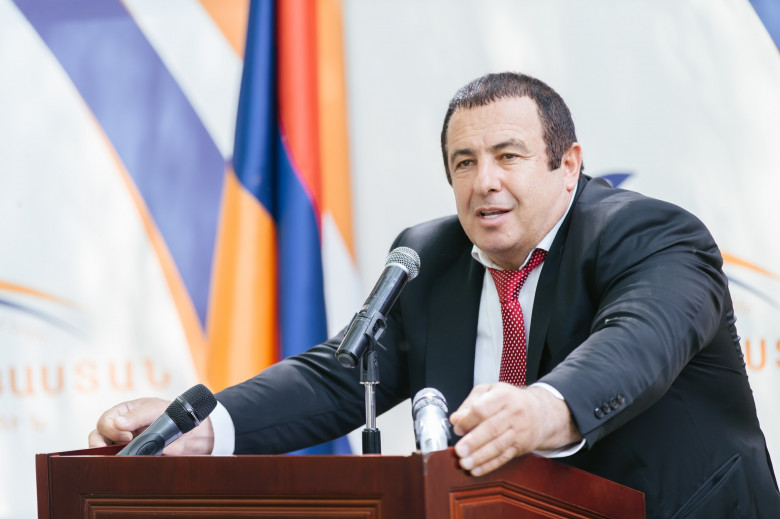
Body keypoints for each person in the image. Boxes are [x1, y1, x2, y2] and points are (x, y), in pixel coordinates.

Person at [90, 72, 779, 517]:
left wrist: (544, 407)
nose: (485, 182)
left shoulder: (650, 234)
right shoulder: (429, 256)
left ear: (568, 165)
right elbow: (340, 374)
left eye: (508, 156)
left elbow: (639, 339)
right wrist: (208, 428)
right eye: (464, 162)